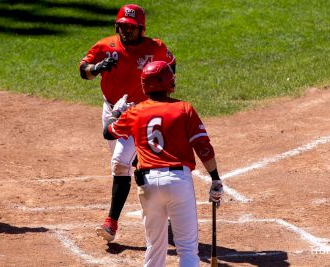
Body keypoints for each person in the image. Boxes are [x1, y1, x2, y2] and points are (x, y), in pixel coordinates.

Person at [103, 61, 224, 267]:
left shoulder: (135, 112)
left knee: (154, 247)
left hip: (147, 184)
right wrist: (215, 179)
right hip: (178, 182)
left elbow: (108, 132)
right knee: (187, 248)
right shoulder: (184, 109)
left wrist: (117, 111)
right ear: (169, 83)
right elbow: (203, 147)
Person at [78, 4, 176, 242]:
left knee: (120, 163)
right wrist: (97, 68)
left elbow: (170, 66)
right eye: (122, 27)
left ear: (141, 29)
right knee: (134, 165)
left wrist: (162, 95)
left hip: (139, 114)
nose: (126, 31)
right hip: (111, 109)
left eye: (131, 28)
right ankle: (166, 210)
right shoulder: (106, 46)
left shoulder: (156, 48)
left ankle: (111, 223)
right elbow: (83, 70)